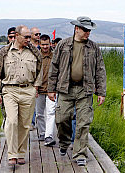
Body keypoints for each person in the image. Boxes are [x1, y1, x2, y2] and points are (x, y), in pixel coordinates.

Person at [48, 16, 106, 166]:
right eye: (86, 30)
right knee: (62, 119)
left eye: (90, 30)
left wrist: (101, 91)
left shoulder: (94, 47)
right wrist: (51, 89)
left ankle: (80, 153)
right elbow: (54, 67)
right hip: (65, 89)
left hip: (85, 90)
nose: (88, 33)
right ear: (77, 29)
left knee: (83, 122)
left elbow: (100, 70)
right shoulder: (63, 45)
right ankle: (64, 142)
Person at [0, 25, 43, 166]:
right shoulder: (4, 52)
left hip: (28, 90)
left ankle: (21, 153)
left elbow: (40, 71)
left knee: (25, 124)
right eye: (26, 37)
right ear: (17, 36)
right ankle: (12, 154)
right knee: (12, 121)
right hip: (10, 90)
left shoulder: (34, 53)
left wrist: (36, 88)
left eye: (29, 36)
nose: (29, 39)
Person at [0, 27, 16, 129]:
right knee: (7, 115)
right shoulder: (1, 51)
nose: (13, 39)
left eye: (15, 36)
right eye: (10, 37)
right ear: (8, 37)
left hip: (18, 88)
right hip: (3, 87)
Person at [35, 34, 56, 146]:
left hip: (51, 90)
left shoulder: (55, 56)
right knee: (39, 114)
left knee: (51, 112)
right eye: (42, 45)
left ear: (50, 43)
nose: (45, 47)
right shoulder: (36, 56)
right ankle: (42, 132)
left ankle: (49, 136)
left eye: (47, 44)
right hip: (39, 89)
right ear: (39, 44)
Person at [30, 27, 41, 130]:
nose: (38, 36)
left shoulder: (42, 47)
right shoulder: (27, 47)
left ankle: (42, 125)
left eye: (39, 34)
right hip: (30, 77)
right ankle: (31, 122)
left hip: (41, 77)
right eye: (36, 34)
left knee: (40, 103)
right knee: (31, 101)